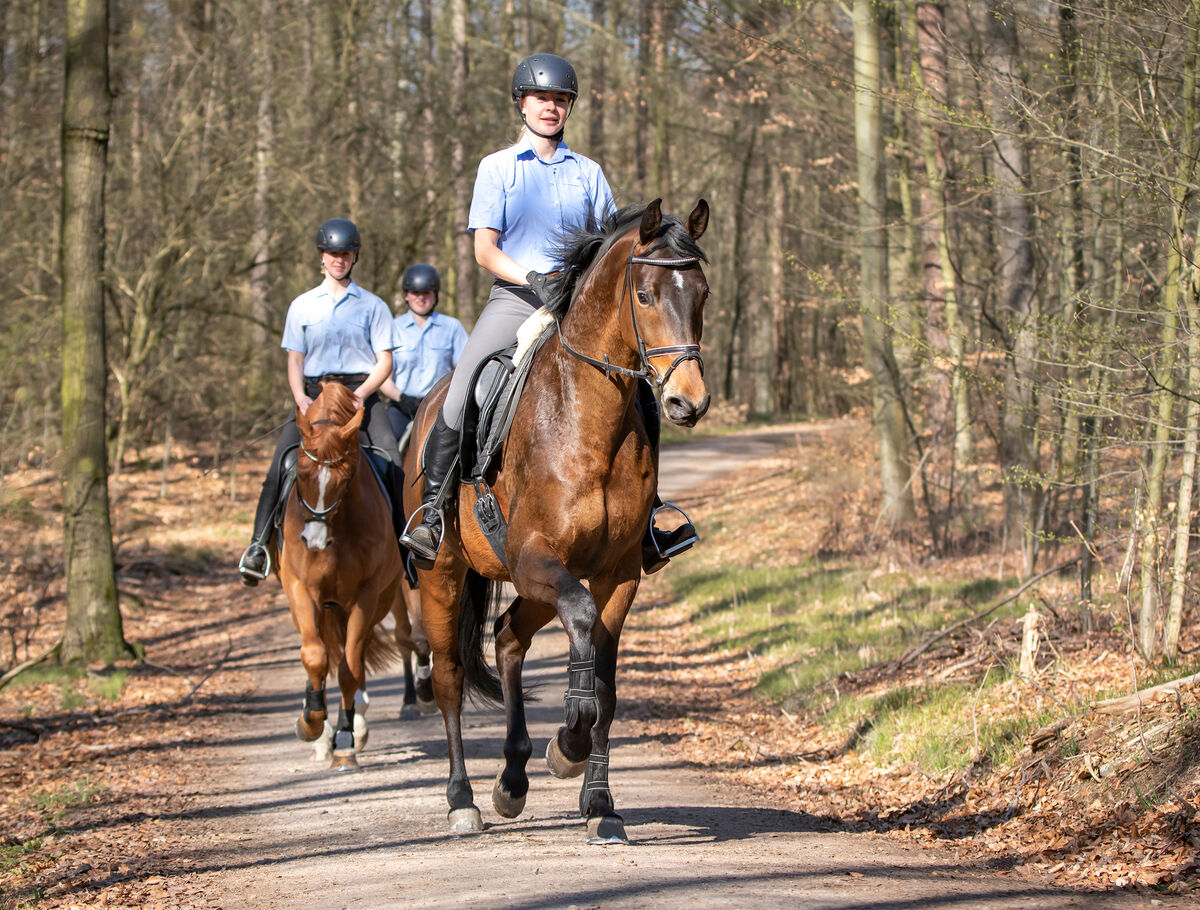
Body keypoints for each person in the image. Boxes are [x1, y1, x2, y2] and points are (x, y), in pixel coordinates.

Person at [399, 53, 696, 573]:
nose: (550, 108)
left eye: (560, 100)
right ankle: (433, 512)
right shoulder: (497, 168)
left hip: (578, 310)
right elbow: (484, 250)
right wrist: (531, 277)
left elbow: (611, 248)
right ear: (522, 104)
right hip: (516, 300)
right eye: (542, 99)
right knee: (464, 387)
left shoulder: (588, 172)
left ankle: (649, 520)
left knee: (642, 400)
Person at [238, 217, 404, 585]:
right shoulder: (301, 306)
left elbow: (385, 362)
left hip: (359, 395)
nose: (338, 260)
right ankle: (257, 547)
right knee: (281, 464)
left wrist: (362, 395)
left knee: (392, 462)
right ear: (322, 257)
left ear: (354, 256)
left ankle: (407, 551)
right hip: (313, 395)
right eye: (332, 254)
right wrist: (299, 397)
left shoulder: (373, 306)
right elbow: (295, 358)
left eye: (345, 254)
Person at [379, 263, 468, 443]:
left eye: (426, 293)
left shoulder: (452, 327)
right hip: (402, 407)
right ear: (406, 295)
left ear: (435, 295)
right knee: (386, 449)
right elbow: (383, 378)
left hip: (440, 407)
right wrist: (401, 398)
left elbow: (464, 371)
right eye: (415, 293)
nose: (420, 298)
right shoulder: (392, 328)